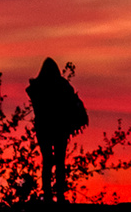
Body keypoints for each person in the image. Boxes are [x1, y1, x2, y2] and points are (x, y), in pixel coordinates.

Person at [27, 57, 88, 202]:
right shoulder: (62, 85)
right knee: (59, 161)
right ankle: (59, 194)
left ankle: (49, 194)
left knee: (47, 161)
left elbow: (31, 91)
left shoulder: (38, 88)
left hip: (44, 129)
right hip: (60, 129)